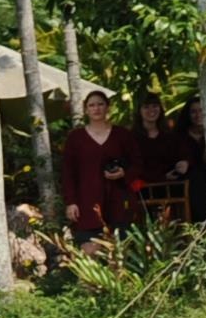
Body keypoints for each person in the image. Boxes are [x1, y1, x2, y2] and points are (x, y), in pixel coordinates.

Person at [59, 91, 129, 241]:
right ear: (86, 110)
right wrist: (70, 202)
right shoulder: (75, 138)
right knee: (91, 252)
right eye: (91, 105)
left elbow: (137, 163)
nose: (96, 108)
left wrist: (124, 173)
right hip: (87, 202)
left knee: (119, 251)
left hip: (117, 201)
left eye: (100, 104)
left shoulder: (122, 135)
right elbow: (68, 172)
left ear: (108, 107)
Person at [126, 93, 198, 224]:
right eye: (146, 107)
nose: (151, 111)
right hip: (145, 188)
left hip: (172, 186)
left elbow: (185, 153)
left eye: (155, 106)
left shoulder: (170, 135)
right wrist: (162, 177)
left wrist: (185, 162)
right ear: (139, 111)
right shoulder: (131, 137)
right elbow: (133, 165)